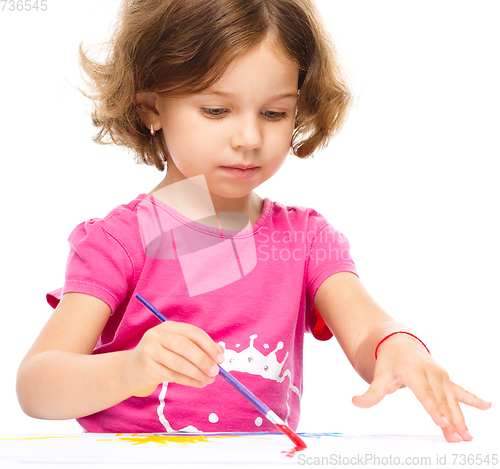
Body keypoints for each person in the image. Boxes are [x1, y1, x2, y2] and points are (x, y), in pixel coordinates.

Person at [16, 0, 490, 440]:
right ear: (152, 108)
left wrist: (401, 349)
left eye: (274, 112)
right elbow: (37, 385)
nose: (248, 137)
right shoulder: (119, 242)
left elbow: (367, 329)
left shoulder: (304, 240)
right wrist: (128, 369)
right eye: (216, 110)